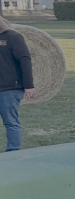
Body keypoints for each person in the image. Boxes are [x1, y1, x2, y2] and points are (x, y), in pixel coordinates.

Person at [0, 16, 36, 151]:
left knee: (10, 122)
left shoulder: (12, 37)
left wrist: (29, 85)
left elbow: (24, 60)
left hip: (9, 89)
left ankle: (13, 152)